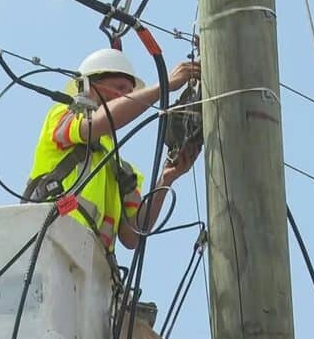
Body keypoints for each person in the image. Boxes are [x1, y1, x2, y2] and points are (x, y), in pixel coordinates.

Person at [23, 48, 201, 251]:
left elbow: (132, 236)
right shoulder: (62, 116)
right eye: (119, 87)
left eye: (129, 93)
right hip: (52, 248)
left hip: (93, 272)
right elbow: (98, 123)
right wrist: (164, 86)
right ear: (89, 86)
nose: (126, 97)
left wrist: (166, 178)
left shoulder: (122, 170)